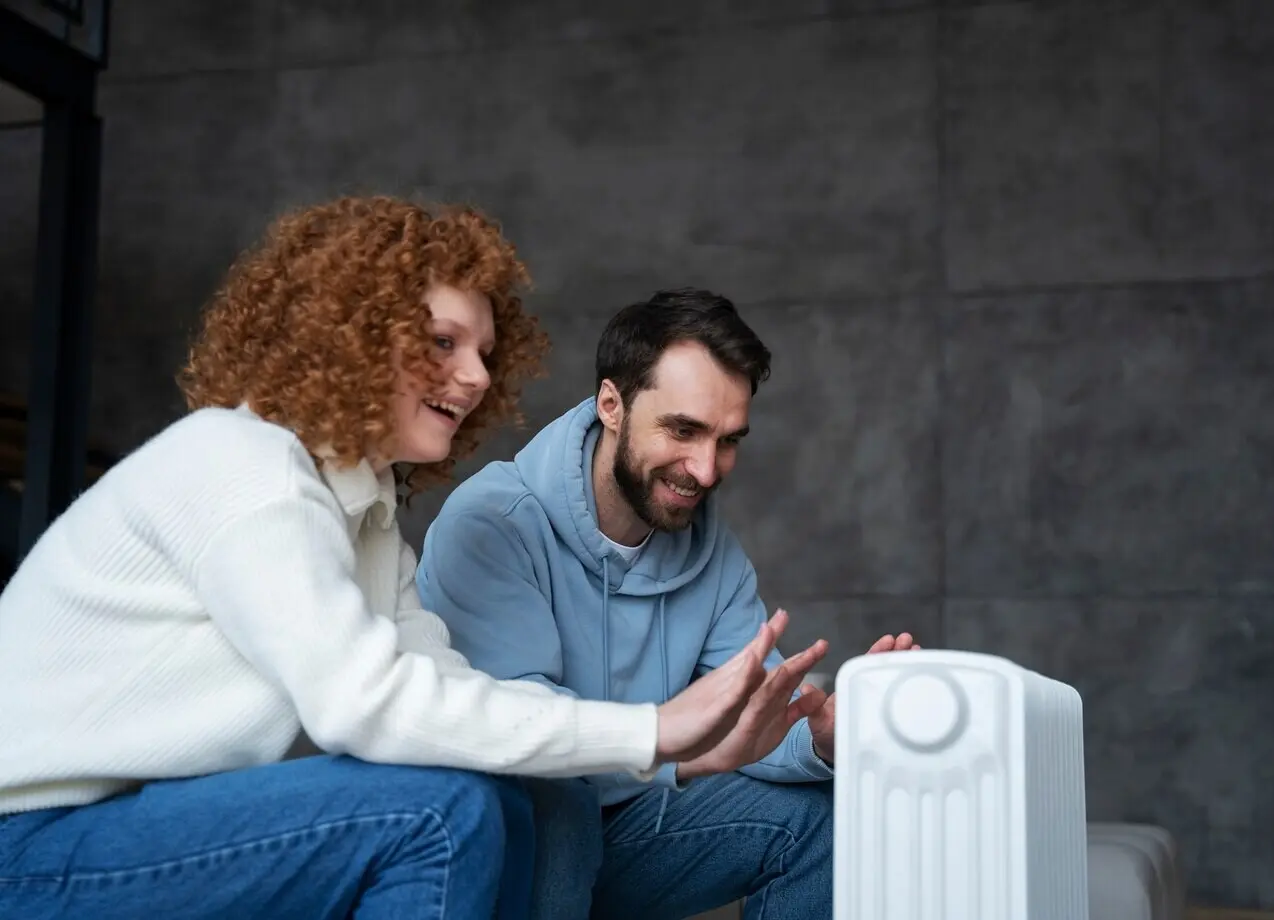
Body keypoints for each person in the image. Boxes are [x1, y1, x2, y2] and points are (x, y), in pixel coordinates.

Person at [0, 202, 825, 920]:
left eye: (484, 352)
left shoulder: (361, 509)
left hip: (139, 826)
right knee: (444, 811)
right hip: (31, 847)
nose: (474, 376)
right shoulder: (246, 466)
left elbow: (457, 694)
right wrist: (652, 731)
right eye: (442, 341)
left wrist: (689, 750)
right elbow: (360, 706)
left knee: (490, 802)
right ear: (351, 338)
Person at [415, 287, 917, 920]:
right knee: (560, 800)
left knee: (821, 819)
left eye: (728, 440)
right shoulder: (492, 525)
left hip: (629, 829)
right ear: (611, 405)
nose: (706, 471)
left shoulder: (712, 554)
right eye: (684, 430)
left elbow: (750, 726)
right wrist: (676, 750)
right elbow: (521, 733)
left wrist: (822, 738)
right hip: (502, 843)